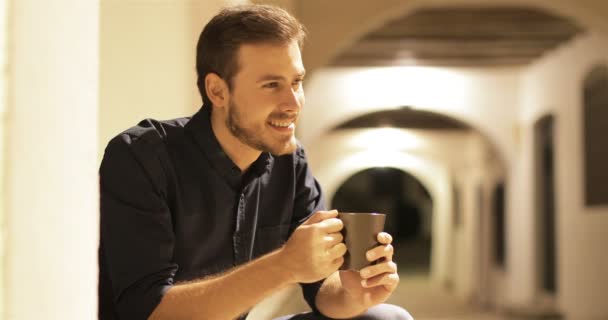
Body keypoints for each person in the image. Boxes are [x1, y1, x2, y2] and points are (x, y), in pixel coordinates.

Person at [98, 4, 413, 320]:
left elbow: (323, 292)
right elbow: (146, 311)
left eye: (296, 81)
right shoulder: (140, 157)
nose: (293, 103)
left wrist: (352, 294)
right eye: (272, 85)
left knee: (385, 318)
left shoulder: (291, 164)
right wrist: (283, 265)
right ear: (218, 91)